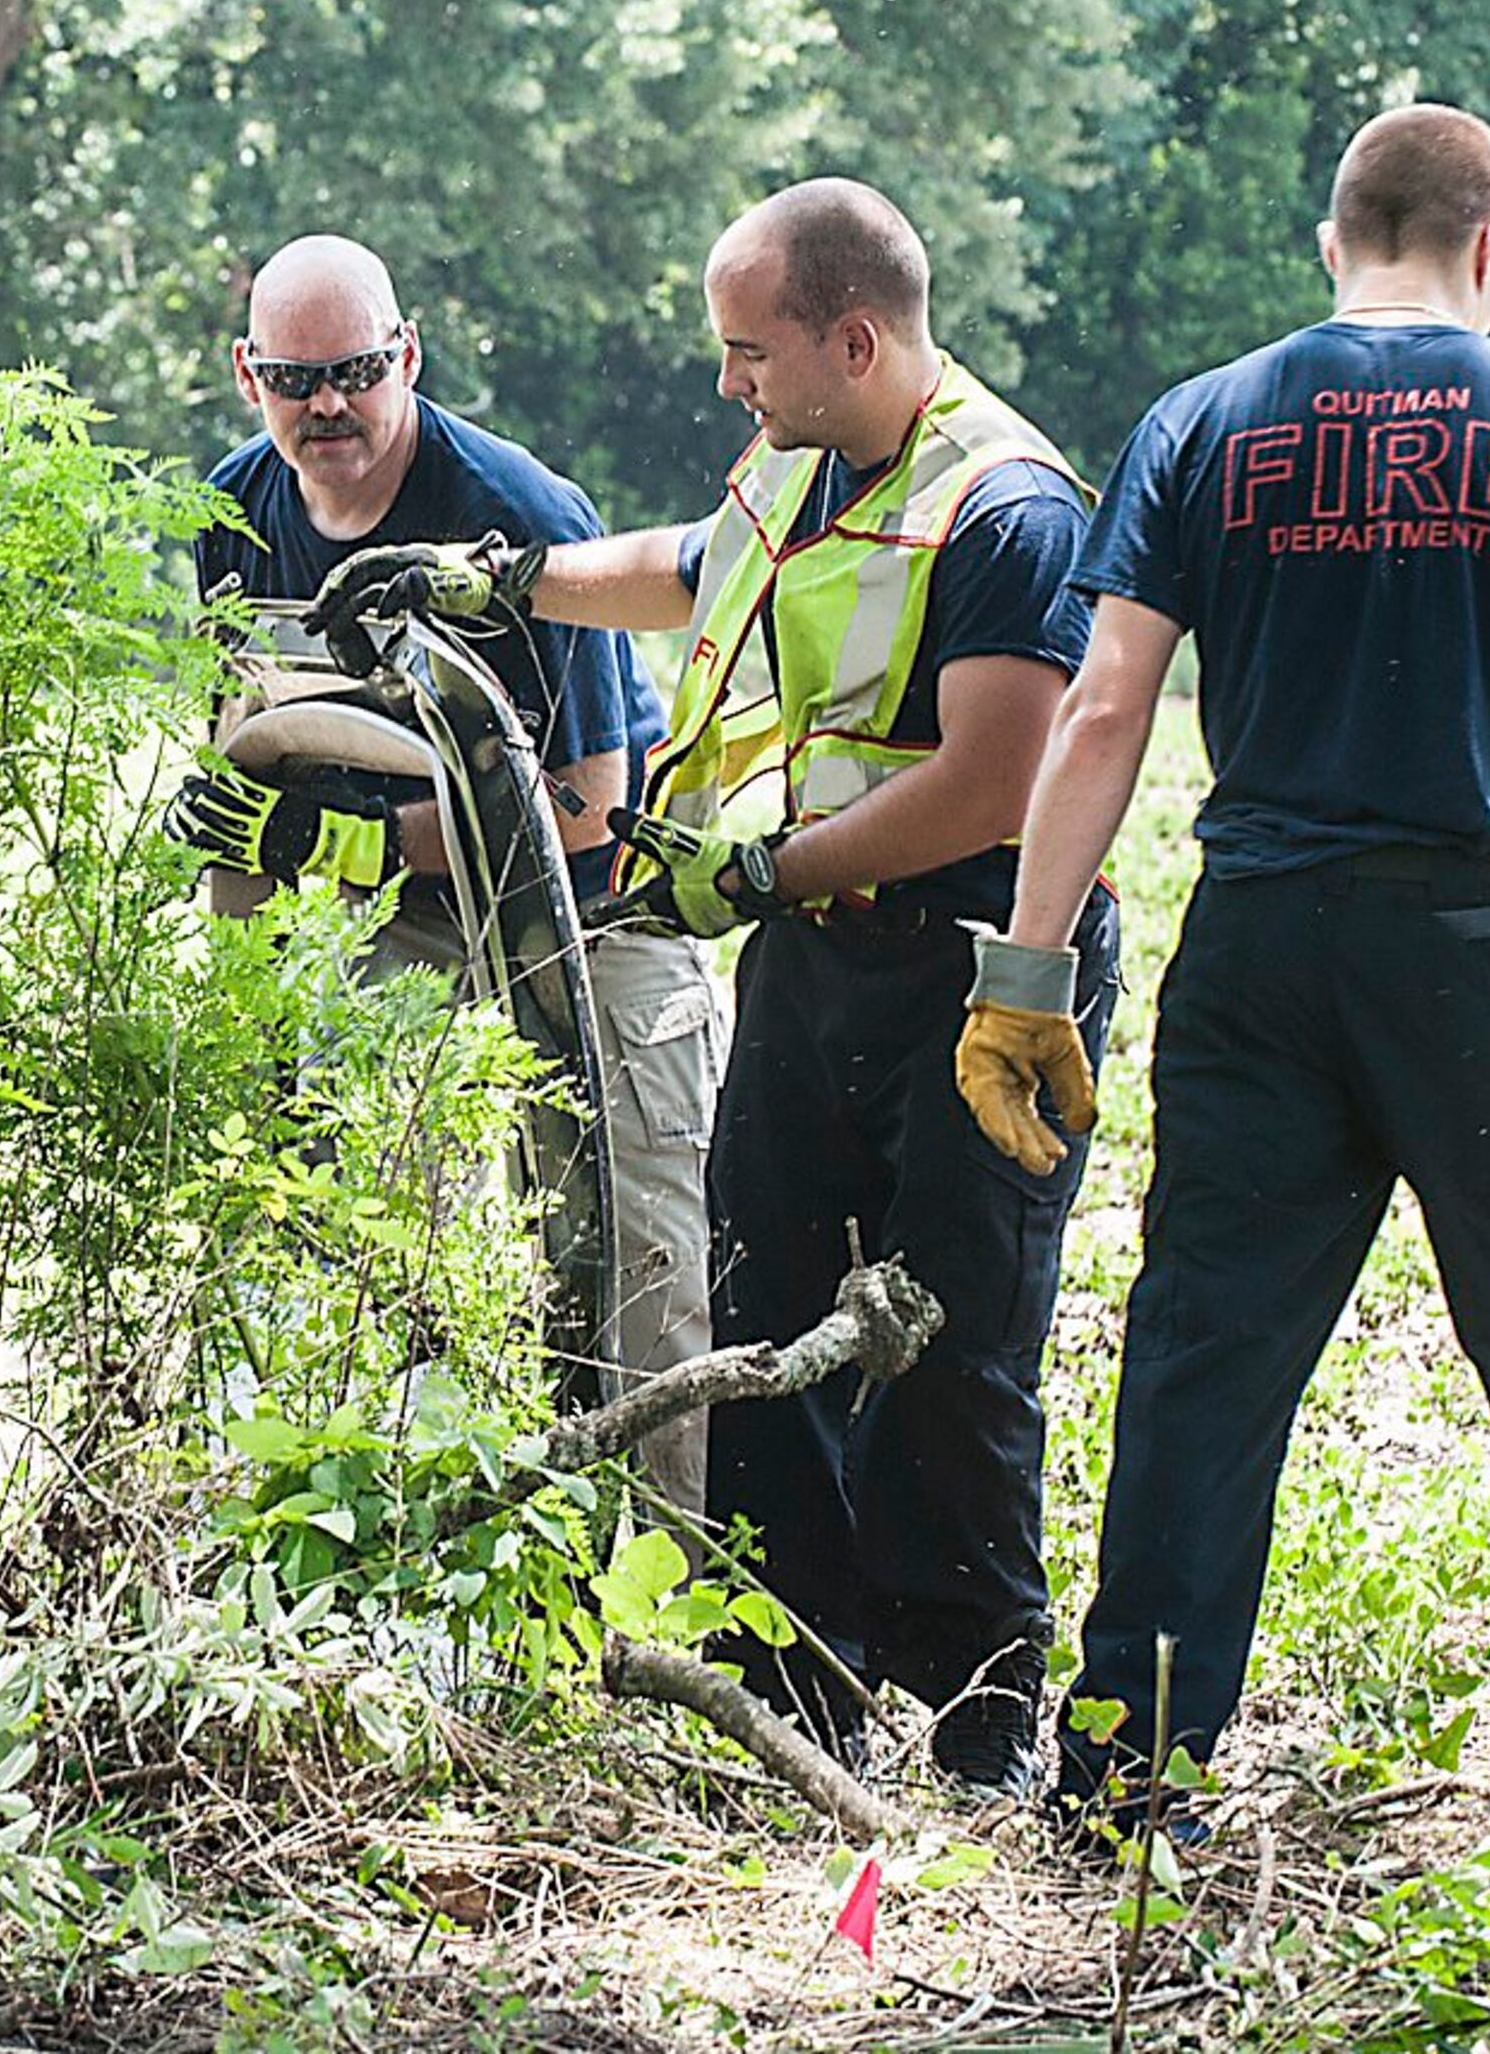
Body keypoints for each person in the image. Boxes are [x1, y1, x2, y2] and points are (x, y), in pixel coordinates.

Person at [957, 102, 1490, 1812]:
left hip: (1260, 951)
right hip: (1481, 954)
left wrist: (1026, 973)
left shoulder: (1200, 425)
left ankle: (1128, 1762)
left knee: (1205, 1358)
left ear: (1335, 242)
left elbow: (1109, 705)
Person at [314, 180, 1110, 1789]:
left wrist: (749, 875)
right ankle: (792, 1694)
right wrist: (502, 581)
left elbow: (997, 782)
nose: (728, 383)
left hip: (980, 965)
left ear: (855, 336)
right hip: (820, 949)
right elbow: (692, 566)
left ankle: (978, 1726)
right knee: (764, 1310)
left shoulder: (1008, 511)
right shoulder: (803, 460)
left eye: (750, 351)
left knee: (953, 1347)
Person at [169, 235, 726, 1507]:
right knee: (346, 1225)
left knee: (631, 1253)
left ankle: (650, 1588)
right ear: (246, 375)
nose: (327, 405)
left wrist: (346, 842)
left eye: (356, 371)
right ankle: (394, 1549)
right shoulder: (232, 514)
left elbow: (591, 808)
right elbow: (243, 736)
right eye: (295, 377)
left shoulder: (519, 513)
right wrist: (238, 832)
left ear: (406, 357)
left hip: (590, 915)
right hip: (391, 920)